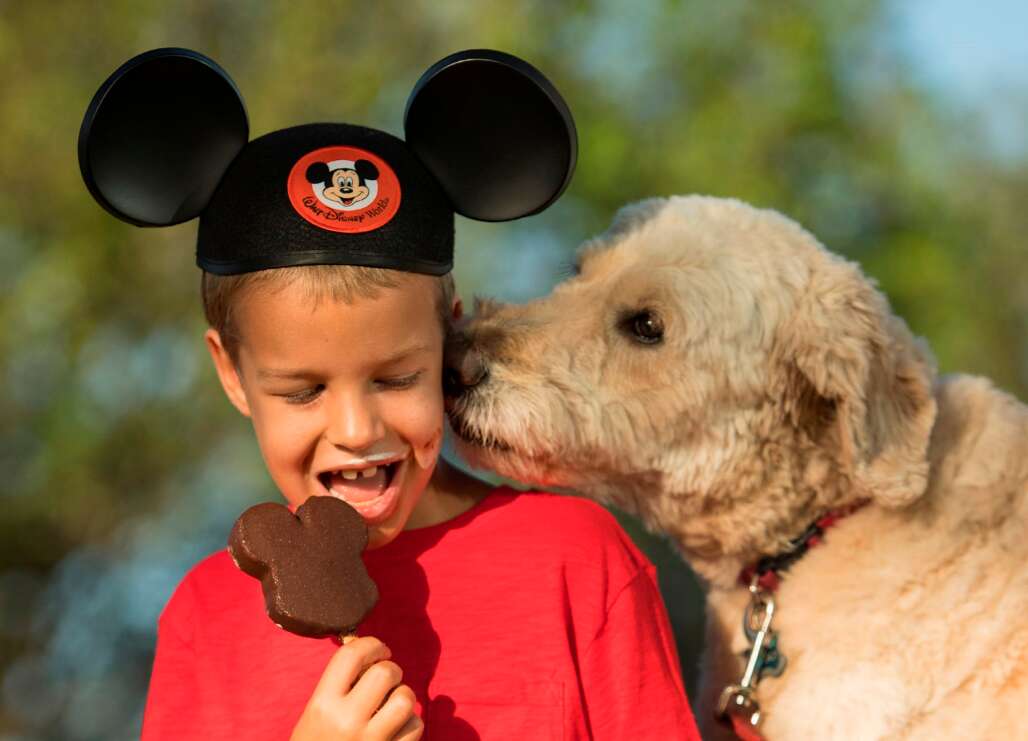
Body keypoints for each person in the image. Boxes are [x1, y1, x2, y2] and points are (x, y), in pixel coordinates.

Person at [79, 48, 701, 740]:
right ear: (231, 374)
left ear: (450, 338)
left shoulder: (578, 562)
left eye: (395, 377)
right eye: (303, 390)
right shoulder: (204, 617)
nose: (356, 426)